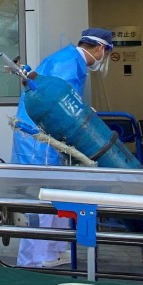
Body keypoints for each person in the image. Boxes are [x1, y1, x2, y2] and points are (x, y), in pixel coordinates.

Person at [11, 28, 113, 267]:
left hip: (45, 137)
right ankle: (33, 259)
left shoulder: (70, 60)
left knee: (58, 195)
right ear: (100, 48)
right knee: (42, 200)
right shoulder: (68, 63)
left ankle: (54, 250)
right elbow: (59, 104)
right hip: (39, 140)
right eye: (106, 53)